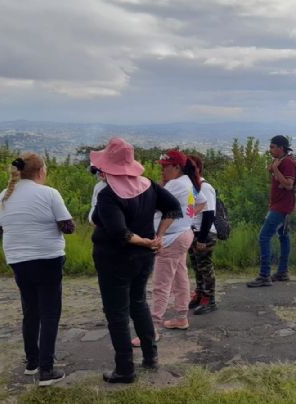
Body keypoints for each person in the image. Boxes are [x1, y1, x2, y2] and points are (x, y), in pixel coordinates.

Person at [90, 138, 182, 384]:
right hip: (143, 260)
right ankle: (150, 357)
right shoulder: (148, 185)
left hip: (114, 260)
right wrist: (157, 237)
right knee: (138, 303)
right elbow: (174, 208)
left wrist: (147, 240)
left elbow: (119, 233)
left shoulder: (109, 195)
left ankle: (125, 369)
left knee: (117, 313)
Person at [0, 152, 75, 387]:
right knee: (50, 313)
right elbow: (68, 227)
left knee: (31, 311)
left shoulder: (4, 196)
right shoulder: (49, 194)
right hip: (47, 258)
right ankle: (47, 371)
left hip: (18, 259)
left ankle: (32, 363)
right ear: (40, 172)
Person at [146, 150, 206, 334]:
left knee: (161, 284)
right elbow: (201, 202)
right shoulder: (188, 182)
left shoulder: (175, 185)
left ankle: (153, 328)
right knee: (180, 278)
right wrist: (187, 217)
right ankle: (181, 317)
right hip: (183, 234)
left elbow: (152, 205)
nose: (162, 170)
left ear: (177, 167)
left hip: (172, 238)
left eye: (165, 167)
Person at [247, 135, 296, 287]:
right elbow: (270, 170)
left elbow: (289, 184)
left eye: (272, 147)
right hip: (281, 205)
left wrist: (276, 168)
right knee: (283, 236)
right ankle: (282, 272)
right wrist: (275, 166)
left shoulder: (288, 162)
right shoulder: (281, 160)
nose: (270, 150)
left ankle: (264, 275)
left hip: (281, 207)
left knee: (264, 237)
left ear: (281, 148)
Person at [187, 155, 218, 315]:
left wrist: (202, 238)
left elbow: (209, 214)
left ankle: (209, 299)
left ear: (198, 168)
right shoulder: (193, 186)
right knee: (197, 266)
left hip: (204, 234)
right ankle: (200, 293)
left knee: (205, 267)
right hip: (194, 231)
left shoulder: (204, 187)